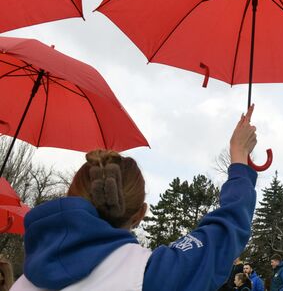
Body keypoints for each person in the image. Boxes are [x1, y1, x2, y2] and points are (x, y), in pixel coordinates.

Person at [11, 106, 259, 291]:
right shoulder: (149, 276)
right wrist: (239, 157)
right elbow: (226, 229)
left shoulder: (22, 283)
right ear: (140, 214)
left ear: (71, 197)